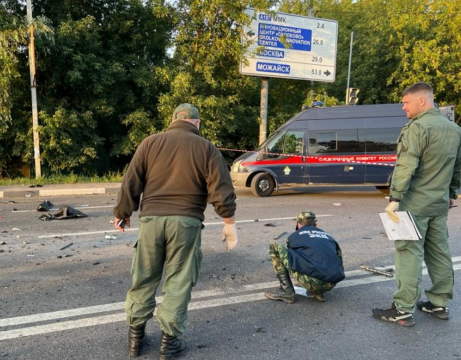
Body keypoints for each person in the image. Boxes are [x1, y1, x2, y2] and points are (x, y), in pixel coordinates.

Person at [113, 103, 238, 359]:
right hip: (186, 221)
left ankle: (135, 340)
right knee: (178, 280)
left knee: (144, 277)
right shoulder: (206, 148)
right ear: (197, 123)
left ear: (172, 121)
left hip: (151, 221)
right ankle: (168, 344)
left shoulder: (150, 143)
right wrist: (229, 222)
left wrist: (122, 213)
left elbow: (131, 181)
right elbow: (221, 189)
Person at [373, 82, 461, 327]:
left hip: (414, 204)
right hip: (439, 203)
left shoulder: (417, 128)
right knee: (439, 252)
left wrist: (395, 198)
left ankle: (402, 309)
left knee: (408, 253)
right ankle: (439, 303)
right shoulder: (454, 129)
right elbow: (458, 166)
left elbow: (406, 165)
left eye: (406, 102)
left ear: (422, 101)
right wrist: (452, 191)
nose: (403, 107)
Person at [265, 211, 345, 304]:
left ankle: (286, 292)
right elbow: (338, 258)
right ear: (315, 224)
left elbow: (293, 255)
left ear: (299, 224)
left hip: (311, 281)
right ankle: (319, 293)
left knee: (275, 246)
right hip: (331, 283)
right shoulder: (328, 236)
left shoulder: (295, 236)